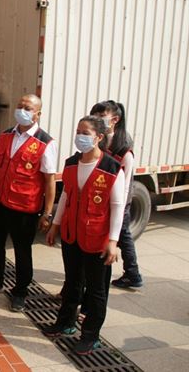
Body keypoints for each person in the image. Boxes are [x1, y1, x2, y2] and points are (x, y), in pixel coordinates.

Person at [44, 115, 125, 355]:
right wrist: (55, 225)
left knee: (97, 289)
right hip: (71, 234)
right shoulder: (71, 163)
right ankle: (66, 322)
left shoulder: (111, 168)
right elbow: (66, 196)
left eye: (85, 133)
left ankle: (90, 335)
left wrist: (112, 241)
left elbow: (117, 206)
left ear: (99, 137)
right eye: (78, 131)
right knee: (72, 281)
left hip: (97, 239)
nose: (80, 136)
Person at [0, 94, 57, 313]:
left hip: (25, 208)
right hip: (0, 201)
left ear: (38, 113)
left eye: (28, 107)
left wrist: (47, 213)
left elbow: (49, 181)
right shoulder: (6, 136)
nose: (22, 110)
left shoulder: (45, 143)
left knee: (22, 251)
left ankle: (20, 292)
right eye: (20, 106)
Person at [90, 100, 143, 289]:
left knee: (122, 235)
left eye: (101, 116)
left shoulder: (124, 150)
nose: (97, 119)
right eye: (94, 115)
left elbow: (126, 186)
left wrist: (120, 209)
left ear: (115, 120)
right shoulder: (100, 141)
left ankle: (133, 273)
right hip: (100, 200)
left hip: (119, 203)